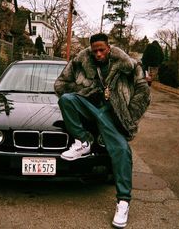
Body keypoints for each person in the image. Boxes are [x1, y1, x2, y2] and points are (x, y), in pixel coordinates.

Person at [54, 33, 150, 228]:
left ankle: (123, 201)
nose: (98, 54)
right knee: (67, 100)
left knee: (122, 151)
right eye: (94, 50)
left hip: (112, 115)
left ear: (108, 48)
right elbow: (61, 85)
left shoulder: (128, 65)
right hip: (90, 108)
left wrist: (128, 116)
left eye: (101, 50)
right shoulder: (80, 62)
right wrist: (86, 91)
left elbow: (143, 93)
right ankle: (83, 141)